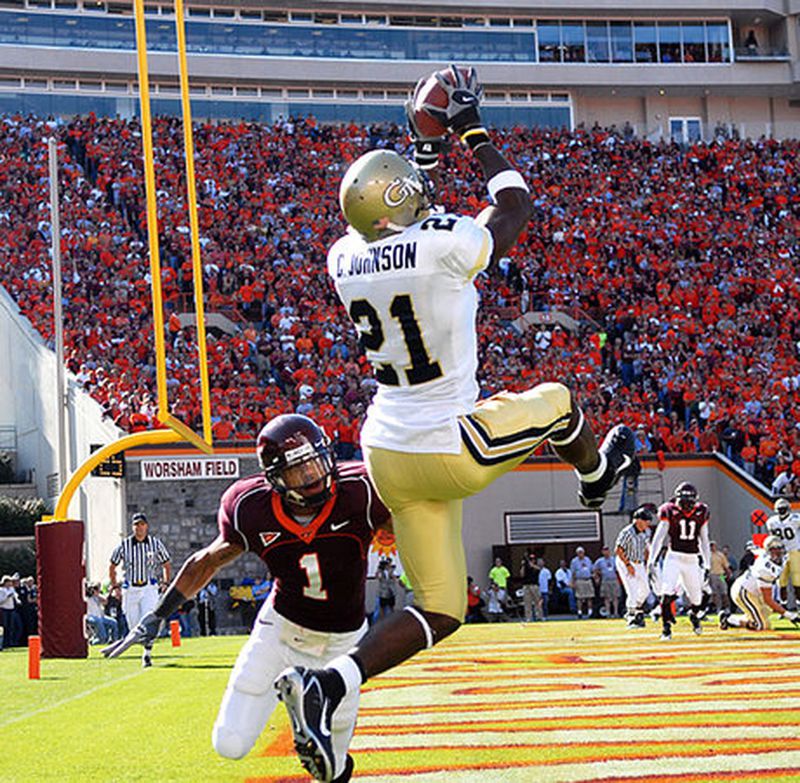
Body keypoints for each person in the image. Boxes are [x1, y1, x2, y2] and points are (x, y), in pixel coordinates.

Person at [273, 65, 636, 783]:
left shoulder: (343, 256)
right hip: (447, 442)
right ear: (401, 204)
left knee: (441, 605)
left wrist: (423, 157)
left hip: (385, 451)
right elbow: (514, 202)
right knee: (561, 397)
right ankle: (597, 480)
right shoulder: (441, 245)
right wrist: (468, 128)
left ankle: (331, 683)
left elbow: (411, 212)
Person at [103, 414, 391, 783]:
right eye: (298, 471)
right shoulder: (249, 507)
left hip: (344, 642)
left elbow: (413, 524)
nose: (313, 477)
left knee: (332, 768)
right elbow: (206, 561)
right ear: (274, 478)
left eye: (316, 463)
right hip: (281, 631)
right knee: (230, 743)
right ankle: (298, 695)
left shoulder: (361, 490)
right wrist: (160, 613)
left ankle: (306, 703)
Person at [647, 482, 711, 640]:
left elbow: (704, 539)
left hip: (692, 559)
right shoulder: (669, 510)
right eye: (684, 502)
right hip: (674, 557)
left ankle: (694, 615)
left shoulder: (702, 511)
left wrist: (707, 563)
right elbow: (659, 537)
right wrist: (651, 560)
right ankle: (666, 629)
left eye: (690, 503)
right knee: (666, 592)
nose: (687, 506)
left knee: (697, 599)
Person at [108, 511, 172, 667]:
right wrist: (115, 586)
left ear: (147, 526)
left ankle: (147, 654)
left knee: (148, 620)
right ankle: (137, 645)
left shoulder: (155, 543)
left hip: (149, 587)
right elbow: (112, 565)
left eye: (142, 524)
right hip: (131, 588)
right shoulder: (125, 545)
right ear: (132, 527)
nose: (139, 528)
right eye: (136, 525)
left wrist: (165, 583)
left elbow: (166, 563)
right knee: (134, 625)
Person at [720, 536, 800, 632]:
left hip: (755, 592)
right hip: (743, 592)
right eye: (774, 550)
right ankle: (729, 620)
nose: (778, 553)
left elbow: (755, 549)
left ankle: (735, 619)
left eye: (779, 549)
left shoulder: (768, 555)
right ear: (769, 551)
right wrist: (789, 615)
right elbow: (768, 600)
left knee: (767, 611)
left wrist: (752, 547)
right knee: (761, 626)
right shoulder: (765, 569)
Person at [615, 506, 653, 628]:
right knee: (632, 590)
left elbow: (645, 549)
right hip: (626, 561)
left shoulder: (645, 533)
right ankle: (631, 616)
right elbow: (618, 550)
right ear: (638, 520)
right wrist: (627, 565)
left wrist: (647, 563)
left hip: (639, 562)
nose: (648, 524)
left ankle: (636, 609)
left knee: (645, 589)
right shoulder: (627, 532)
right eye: (646, 521)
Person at [765, 498, 800, 609]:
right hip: (781, 553)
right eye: (780, 509)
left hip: (794, 551)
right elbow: (772, 537)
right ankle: (783, 606)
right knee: (781, 582)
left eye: (783, 508)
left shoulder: (795, 519)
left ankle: (798, 605)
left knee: (797, 581)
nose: (782, 510)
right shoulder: (772, 521)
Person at [593, 545, 620, 619]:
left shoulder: (613, 559)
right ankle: (608, 612)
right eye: (604, 550)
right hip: (605, 580)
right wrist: (598, 577)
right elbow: (594, 570)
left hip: (614, 580)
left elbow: (618, 570)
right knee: (606, 598)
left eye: (607, 550)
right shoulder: (600, 561)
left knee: (615, 597)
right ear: (602, 552)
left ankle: (615, 612)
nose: (606, 552)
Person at [708, 541, 733, 613]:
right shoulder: (708, 555)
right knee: (714, 593)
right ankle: (716, 608)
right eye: (711, 546)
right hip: (712, 575)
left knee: (724, 591)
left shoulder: (720, 555)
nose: (712, 547)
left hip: (721, 575)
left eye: (713, 546)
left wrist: (729, 573)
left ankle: (726, 608)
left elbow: (725, 565)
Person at [570, 546, 594, 618]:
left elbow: (591, 569)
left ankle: (590, 612)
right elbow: (573, 572)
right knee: (579, 597)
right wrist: (573, 582)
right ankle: (579, 612)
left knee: (589, 596)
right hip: (579, 580)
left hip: (588, 580)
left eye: (581, 552)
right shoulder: (574, 561)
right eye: (579, 553)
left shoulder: (588, 560)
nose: (580, 554)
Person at [519, 550, 542, 622]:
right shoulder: (525, 567)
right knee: (527, 603)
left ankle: (539, 617)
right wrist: (523, 565)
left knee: (537, 602)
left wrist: (531, 564)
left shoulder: (536, 567)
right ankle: (528, 618)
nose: (532, 560)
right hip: (526, 585)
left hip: (534, 585)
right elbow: (521, 574)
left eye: (533, 559)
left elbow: (538, 569)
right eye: (531, 559)